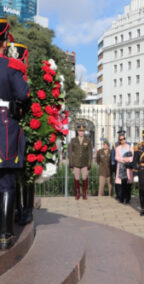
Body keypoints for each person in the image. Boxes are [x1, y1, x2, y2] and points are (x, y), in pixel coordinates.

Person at [0, 18, 30, 250]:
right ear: (4, 40)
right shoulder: (10, 66)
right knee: (7, 183)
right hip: (3, 125)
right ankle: (5, 235)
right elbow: (23, 93)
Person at [68, 125, 93, 200]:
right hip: (76, 163)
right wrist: (71, 162)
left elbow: (90, 153)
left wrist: (89, 163)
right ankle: (78, 193)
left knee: (85, 177)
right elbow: (70, 152)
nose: (81, 132)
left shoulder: (88, 140)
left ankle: (84, 193)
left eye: (82, 131)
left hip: (84, 163)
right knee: (76, 178)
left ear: (84, 132)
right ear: (77, 131)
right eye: (80, 131)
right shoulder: (73, 140)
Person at [115, 133, 134, 204]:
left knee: (128, 184)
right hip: (121, 167)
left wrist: (128, 160)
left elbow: (132, 156)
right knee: (121, 184)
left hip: (128, 167)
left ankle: (128, 198)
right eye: (121, 139)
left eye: (123, 139)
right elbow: (116, 157)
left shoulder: (129, 147)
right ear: (119, 140)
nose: (122, 140)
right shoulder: (117, 148)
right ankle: (121, 198)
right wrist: (122, 159)